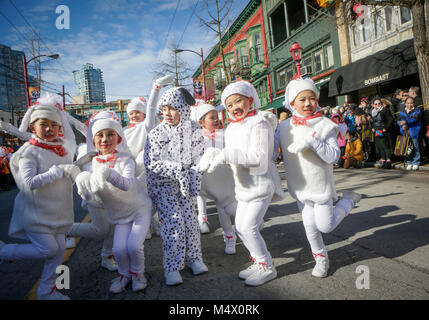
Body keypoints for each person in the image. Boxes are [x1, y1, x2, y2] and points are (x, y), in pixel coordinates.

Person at [276, 77, 361, 278]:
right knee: (310, 227)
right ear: (292, 103)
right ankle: (321, 259)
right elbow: (274, 152)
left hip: (321, 187)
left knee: (326, 226)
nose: (307, 103)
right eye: (302, 99)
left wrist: (312, 142)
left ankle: (348, 201)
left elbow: (334, 156)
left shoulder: (325, 125)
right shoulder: (285, 126)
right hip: (300, 187)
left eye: (311, 98)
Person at [202, 81, 285, 286]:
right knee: (240, 227)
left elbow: (259, 158)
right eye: (229, 105)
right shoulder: (231, 128)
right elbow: (230, 157)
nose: (234, 107)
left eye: (238, 101)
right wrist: (214, 156)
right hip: (242, 188)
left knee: (248, 228)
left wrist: (227, 155)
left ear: (250, 99)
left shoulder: (259, 123)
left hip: (260, 185)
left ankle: (267, 267)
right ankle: (258, 262)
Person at [0, 93, 80, 300]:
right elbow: (27, 184)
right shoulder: (28, 152)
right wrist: (57, 171)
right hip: (36, 214)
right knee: (49, 250)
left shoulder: (61, 148)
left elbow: (71, 139)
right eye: (43, 124)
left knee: (58, 252)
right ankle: (5, 252)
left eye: (54, 125)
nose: (49, 129)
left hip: (58, 213)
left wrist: (62, 114)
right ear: (33, 127)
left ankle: (47, 292)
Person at [75, 117, 152, 294]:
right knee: (118, 249)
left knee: (133, 246)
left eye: (110, 134)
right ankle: (124, 275)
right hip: (119, 214)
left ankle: (138, 274)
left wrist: (108, 173)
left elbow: (127, 185)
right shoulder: (92, 163)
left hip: (139, 209)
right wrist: (85, 191)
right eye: (100, 135)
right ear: (93, 140)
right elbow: (95, 197)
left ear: (118, 138)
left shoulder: (126, 159)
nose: (105, 139)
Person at [144, 87, 208, 286]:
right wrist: (178, 169)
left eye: (172, 108)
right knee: (174, 224)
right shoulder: (156, 133)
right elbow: (151, 162)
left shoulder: (195, 129)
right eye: (164, 109)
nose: (167, 114)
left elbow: (200, 156)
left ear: (183, 108)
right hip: (163, 186)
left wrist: (196, 172)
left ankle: (195, 258)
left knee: (190, 223)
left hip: (187, 185)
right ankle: (172, 267)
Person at [195, 103, 237, 254]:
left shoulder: (224, 134)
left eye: (217, 117)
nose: (216, 120)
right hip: (208, 178)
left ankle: (236, 233)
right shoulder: (197, 138)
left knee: (228, 206)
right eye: (212, 118)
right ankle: (227, 236)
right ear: (201, 122)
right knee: (213, 204)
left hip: (226, 176)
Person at [397, 96, 422, 170]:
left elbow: (414, 119)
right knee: (407, 148)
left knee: (415, 147)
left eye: (411, 103)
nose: (410, 105)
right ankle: (409, 162)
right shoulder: (401, 111)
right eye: (408, 103)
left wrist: (406, 122)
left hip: (414, 131)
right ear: (405, 104)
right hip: (405, 132)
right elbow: (398, 121)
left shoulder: (417, 110)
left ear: (414, 103)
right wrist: (401, 125)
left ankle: (416, 162)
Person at [371, 97, 394, 169]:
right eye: (376, 104)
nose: (378, 105)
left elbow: (390, 120)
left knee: (385, 145)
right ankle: (383, 160)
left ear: (381, 104)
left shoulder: (385, 110)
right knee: (380, 145)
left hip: (383, 130)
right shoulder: (373, 112)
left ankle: (388, 161)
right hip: (377, 130)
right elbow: (372, 122)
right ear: (373, 105)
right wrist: (372, 128)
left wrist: (386, 128)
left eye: (379, 103)